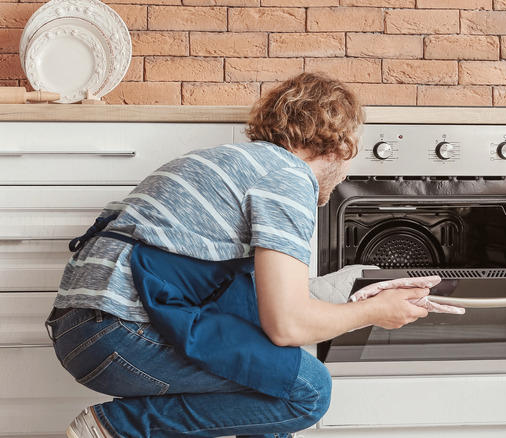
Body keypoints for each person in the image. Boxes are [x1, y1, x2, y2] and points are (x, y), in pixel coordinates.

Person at [46, 72, 432, 438]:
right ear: (338, 144)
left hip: (80, 331)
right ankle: (118, 426)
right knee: (307, 389)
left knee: (276, 373)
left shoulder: (229, 163)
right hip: (119, 334)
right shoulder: (288, 177)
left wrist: (356, 291)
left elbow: (259, 298)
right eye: (354, 153)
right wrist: (373, 314)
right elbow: (287, 324)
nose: (348, 172)